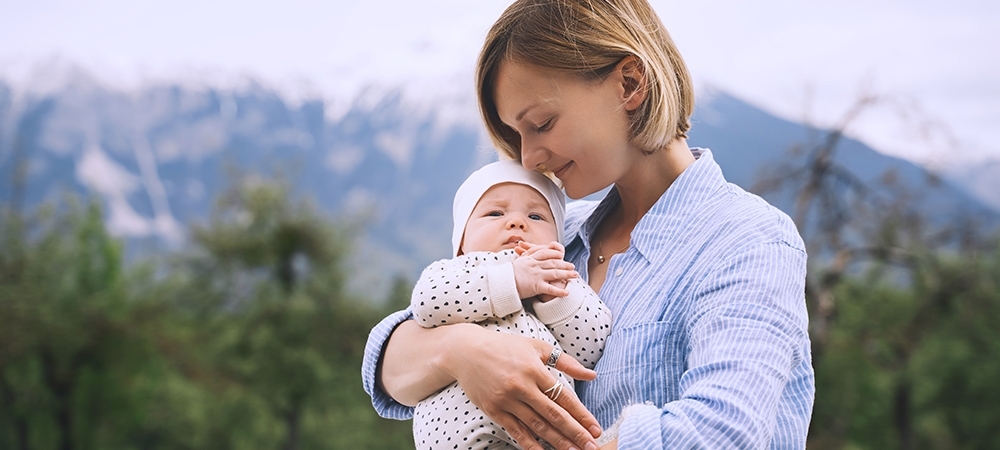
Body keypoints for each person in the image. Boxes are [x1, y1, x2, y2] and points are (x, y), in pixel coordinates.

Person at [362, 0, 815, 448]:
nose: (528, 158)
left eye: (542, 123)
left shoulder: (747, 239)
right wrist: (461, 352)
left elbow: (721, 432)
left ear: (630, 84)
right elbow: (388, 364)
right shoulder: (552, 230)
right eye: (517, 135)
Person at [409, 160, 612, 449]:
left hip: (544, 431)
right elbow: (428, 304)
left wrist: (553, 297)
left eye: (537, 216)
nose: (517, 222)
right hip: (460, 429)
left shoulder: (560, 277)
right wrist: (512, 280)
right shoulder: (459, 270)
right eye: (495, 213)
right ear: (462, 241)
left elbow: (591, 350)